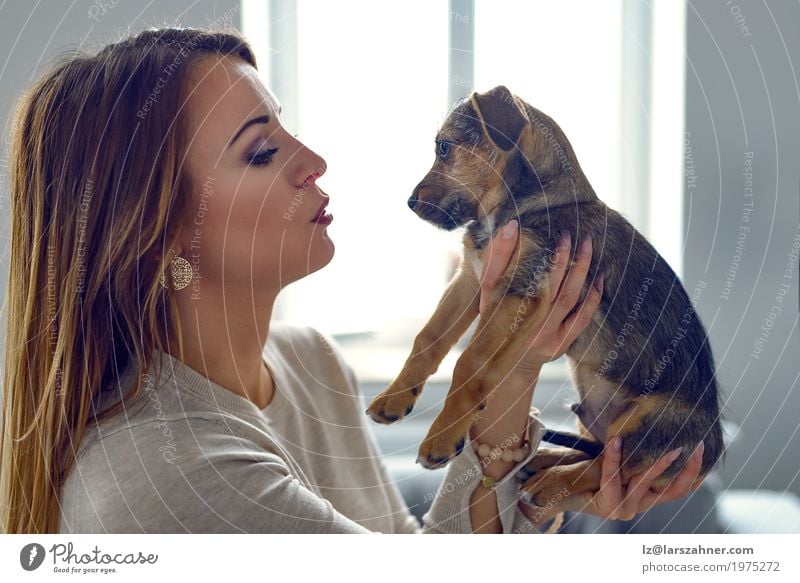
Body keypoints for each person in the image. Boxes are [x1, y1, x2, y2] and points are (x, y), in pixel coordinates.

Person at [0, 27, 703, 534]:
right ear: (160, 233)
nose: (315, 160)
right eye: (263, 150)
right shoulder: (176, 479)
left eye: (286, 127)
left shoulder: (311, 361)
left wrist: (532, 422)